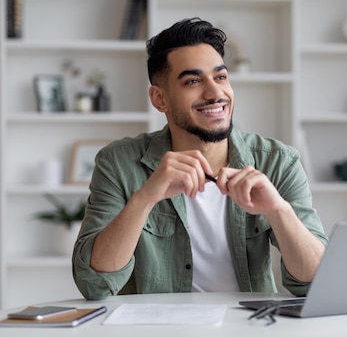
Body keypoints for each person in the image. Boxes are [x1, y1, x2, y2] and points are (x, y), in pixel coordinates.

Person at [72, 17, 328, 300]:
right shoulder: (118, 163)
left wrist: (278, 211)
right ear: (160, 99)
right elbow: (93, 283)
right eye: (193, 81)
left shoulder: (279, 161)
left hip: (250, 326)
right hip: (158, 326)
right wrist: (145, 198)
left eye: (220, 77)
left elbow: (316, 282)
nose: (215, 93)